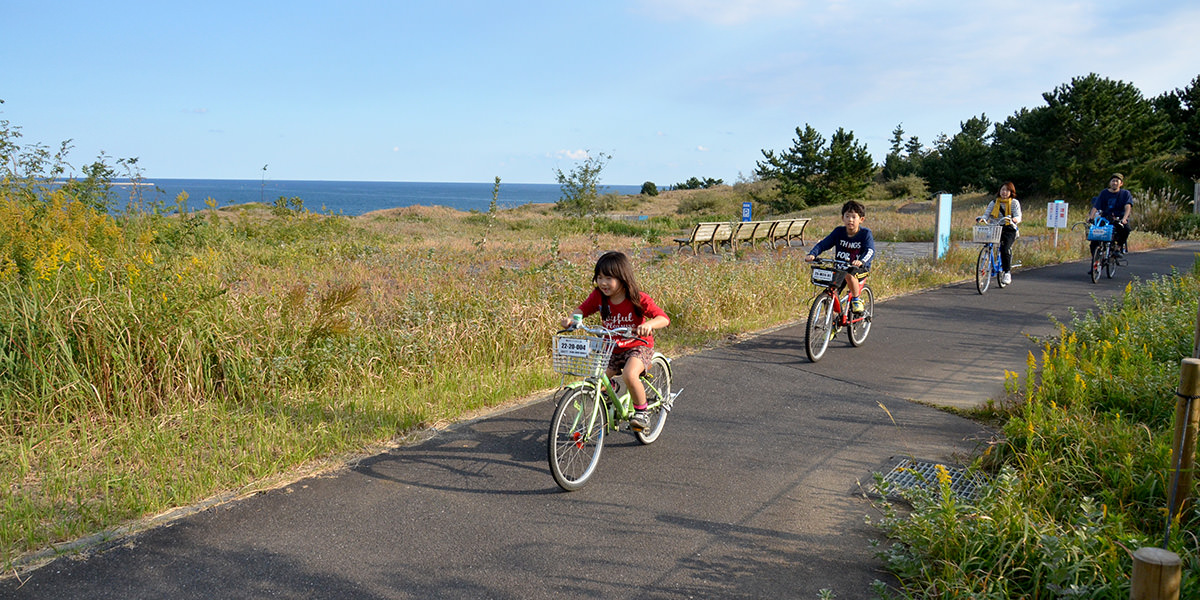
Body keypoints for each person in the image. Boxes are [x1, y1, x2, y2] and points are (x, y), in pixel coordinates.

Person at [561, 251, 670, 431]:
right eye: (600, 277)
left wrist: (649, 325)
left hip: (637, 346)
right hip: (611, 347)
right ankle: (610, 387)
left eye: (609, 278)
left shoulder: (638, 298)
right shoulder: (599, 296)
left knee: (629, 374)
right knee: (595, 378)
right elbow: (582, 310)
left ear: (622, 278)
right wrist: (573, 320)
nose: (603, 283)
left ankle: (642, 413)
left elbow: (663, 318)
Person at [804, 200, 875, 313]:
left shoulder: (865, 234)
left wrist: (861, 261)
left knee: (849, 275)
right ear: (843, 218)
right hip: (840, 268)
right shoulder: (838, 232)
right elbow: (823, 244)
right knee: (830, 293)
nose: (850, 220)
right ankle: (832, 322)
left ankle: (856, 300)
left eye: (853, 217)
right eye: (847, 216)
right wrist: (813, 254)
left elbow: (870, 251)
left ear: (861, 219)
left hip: (860, 268)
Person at [975, 182, 1022, 286]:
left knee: (1005, 249)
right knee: (987, 244)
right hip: (995, 228)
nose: (1004, 192)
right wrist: (982, 218)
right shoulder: (994, 202)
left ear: (1011, 192)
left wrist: (1015, 219)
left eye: (1007, 190)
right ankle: (985, 262)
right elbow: (987, 214)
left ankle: (1007, 273)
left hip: (1009, 228)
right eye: (1002, 190)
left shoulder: (1014, 203)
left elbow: (1019, 216)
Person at [1088, 173, 1133, 258]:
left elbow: (1128, 206)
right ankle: (1095, 262)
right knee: (1094, 239)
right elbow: (1096, 206)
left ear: (1121, 183)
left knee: (1126, 229)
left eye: (1117, 181)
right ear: (1110, 183)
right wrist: (1091, 217)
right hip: (1105, 219)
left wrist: (1124, 218)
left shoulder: (1125, 194)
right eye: (1113, 181)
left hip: (1119, 218)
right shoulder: (1104, 193)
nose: (1114, 183)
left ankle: (1118, 247)